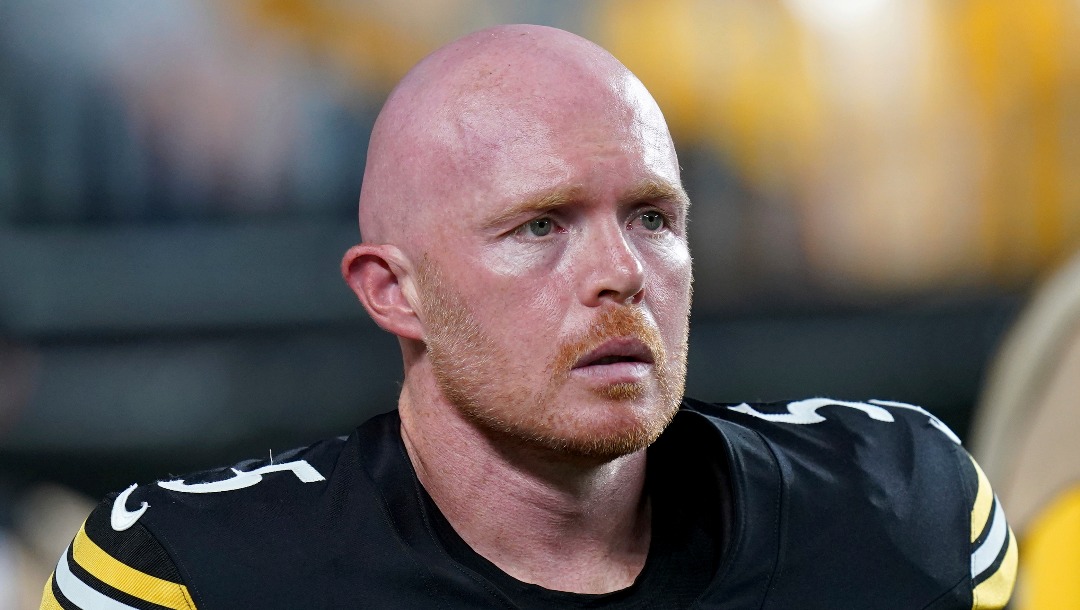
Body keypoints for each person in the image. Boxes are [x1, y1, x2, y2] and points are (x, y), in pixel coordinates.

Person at [41, 24, 1016, 609]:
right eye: (541, 225)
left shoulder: (899, 509)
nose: (620, 273)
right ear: (392, 291)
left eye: (652, 217)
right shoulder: (197, 574)